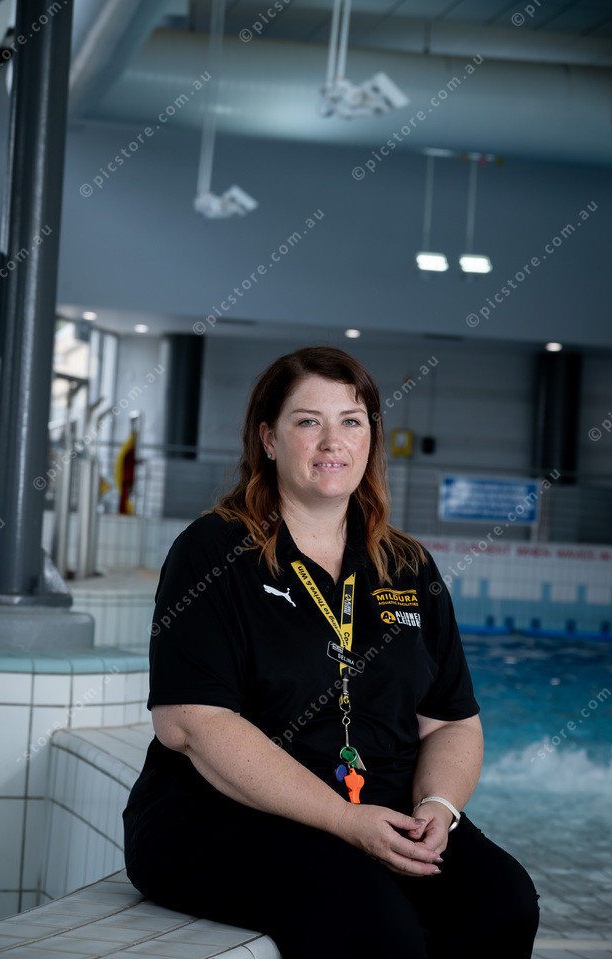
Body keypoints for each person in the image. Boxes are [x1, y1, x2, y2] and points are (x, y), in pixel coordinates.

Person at [123, 346, 540, 959]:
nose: (332, 442)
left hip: (383, 808)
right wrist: (345, 820)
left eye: (351, 420)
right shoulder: (215, 550)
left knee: (503, 905)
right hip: (232, 814)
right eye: (307, 421)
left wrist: (438, 807)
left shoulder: (407, 564)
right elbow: (191, 724)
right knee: (374, 925)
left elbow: (451, 721)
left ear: (371, 438)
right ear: (268, 439)